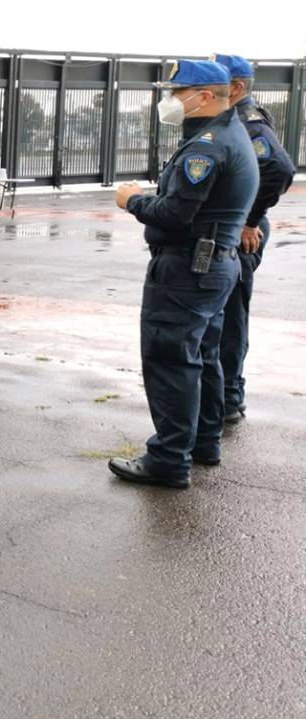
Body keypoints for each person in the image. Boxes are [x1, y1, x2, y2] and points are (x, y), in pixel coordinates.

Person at [109, 59, 257, 489]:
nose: (170, 101)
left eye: (177, 93)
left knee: (171, 359)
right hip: (212, 266)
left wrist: (131, 201)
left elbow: (174, 214)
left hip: (188, 269)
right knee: (203, 355)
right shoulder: (228, 134)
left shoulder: (208, 145)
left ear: (205, 97)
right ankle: (203, 443)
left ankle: (170, 459)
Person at [211, 54, 295, 424]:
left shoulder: (248, 121)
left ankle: (229, 398)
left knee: (230, 318)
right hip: (232, 229)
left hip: (241, 233)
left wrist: (249, 218)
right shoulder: (230, 118)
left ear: (237, 87)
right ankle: (223, 395)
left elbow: (279, 168)